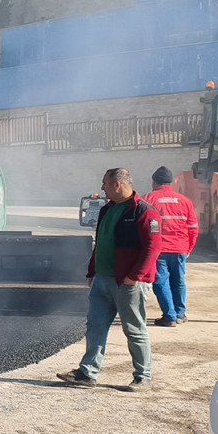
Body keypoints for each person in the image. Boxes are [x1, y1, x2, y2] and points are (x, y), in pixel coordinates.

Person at [57, 167, 164, 391]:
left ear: (117, 184)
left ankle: (143, 377)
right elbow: (101, 242)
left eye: (105, 183)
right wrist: (91, 271)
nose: (102, 188)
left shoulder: (144, 211)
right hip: (102, 280)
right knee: (95, 326)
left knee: (134, 329)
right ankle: (87, 373)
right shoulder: (108, 209)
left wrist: (134, 277)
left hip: (127, 283)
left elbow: (153, 247)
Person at [147, 165, 197, 326]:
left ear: (154, 182)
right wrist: (189, 248)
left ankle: (169, 316)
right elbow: (193, 228)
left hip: (158, 249)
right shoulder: (185, 201)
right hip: (180, 248)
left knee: (161, 281)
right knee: (178, 280)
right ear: (171, 183)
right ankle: (180, 313)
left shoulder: (147, 199)